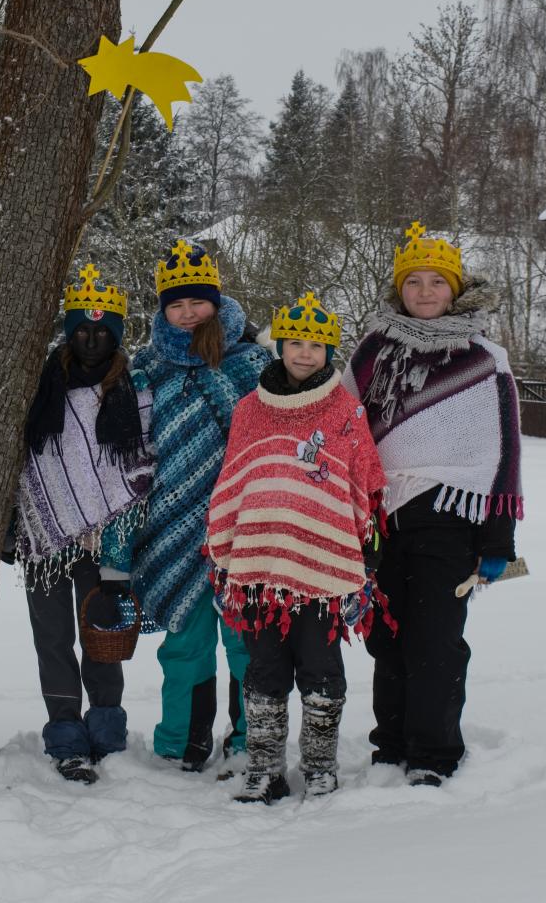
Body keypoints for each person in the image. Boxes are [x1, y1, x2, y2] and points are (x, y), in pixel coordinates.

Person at [341, 222, 524, 787]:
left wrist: (498, 539)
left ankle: (434, 754)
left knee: (436, 641)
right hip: (380, 519)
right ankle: (391, 744)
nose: (425, 292)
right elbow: (345, 428)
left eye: (436, 282)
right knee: (386, 637)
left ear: (455, 289)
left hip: (450, 520)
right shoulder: (372, 351)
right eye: (413, 282)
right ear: (399, 289)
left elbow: (502, 453)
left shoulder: (484, 359)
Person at [207, 292, 388, 804]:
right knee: (263, 669)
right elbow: (233, 480)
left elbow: (363, 483)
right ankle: (265, 768)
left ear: (328, 351)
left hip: (323, 569)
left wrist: (366, 554)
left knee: (320, 668)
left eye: (315, 345)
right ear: (280, 346)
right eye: (295, 343)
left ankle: (319, 765)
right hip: (260, 563)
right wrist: (225, 555)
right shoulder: (250, 409)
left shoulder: (345, 410)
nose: (304, 353)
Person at [132, 240, 270, 772]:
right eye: (177, 305)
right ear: (164, 309)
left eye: (198, 302)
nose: (188, 313)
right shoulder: (147, 368)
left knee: (245, 640)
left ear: (215, 301)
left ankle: (249, 741)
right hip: (172, 525)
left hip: (244, 524)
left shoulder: (252, 361)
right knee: (184, 645)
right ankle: (180, 744)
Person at [13, 264, 153, 785]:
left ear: (117, 335)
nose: (92, 341)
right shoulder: (41, 385)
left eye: (103, 332)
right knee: (52, 639)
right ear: (69, 332)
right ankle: (66, 734)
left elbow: (138, 476)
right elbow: (25, 464)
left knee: (102, 633)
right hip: (45, 541)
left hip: (109, 541)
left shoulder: (135, 391)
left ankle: (107, 730)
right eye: (82, 331)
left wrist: (120, 555)